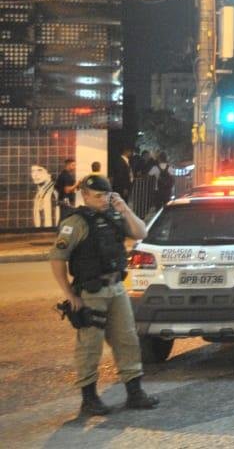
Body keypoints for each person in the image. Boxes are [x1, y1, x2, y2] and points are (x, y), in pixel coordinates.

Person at [48, 174, 159, 415]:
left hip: (116, 288)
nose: (103, 200)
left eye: (107, 195)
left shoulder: (114, 215)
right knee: (90, 345)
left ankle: (135, 392)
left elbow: (141, 233)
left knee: (127, 339)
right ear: (85, 196)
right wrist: (70, 294)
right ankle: (89, 399)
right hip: (91, 292)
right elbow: (57, 259)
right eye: (98, 196)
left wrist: (124, 209)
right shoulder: (75, 223)